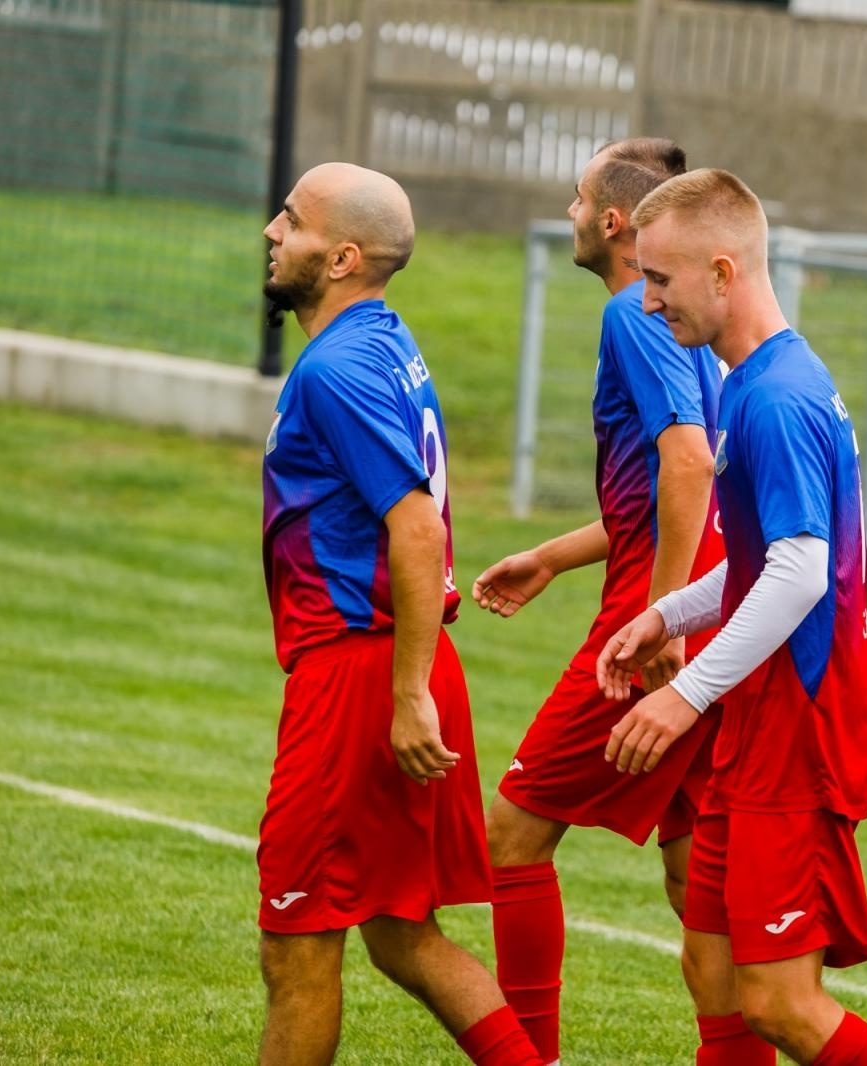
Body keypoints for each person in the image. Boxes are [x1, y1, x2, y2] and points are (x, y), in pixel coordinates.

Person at [593, 168, 867, 1066]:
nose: (647, 304)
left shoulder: (775, 397)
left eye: (661, 280)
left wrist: (684, 692)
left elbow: (804, 574)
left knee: (780, 1004)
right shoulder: (760, 380)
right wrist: (670, 612)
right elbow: (775, 560)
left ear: (723, 272)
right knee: (712, 964)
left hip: (796, 734)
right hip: (759, 726)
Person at [257, 162, 543, 1066]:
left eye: (293, 222)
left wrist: (406, 692)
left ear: (341, 257)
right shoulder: (381, 339)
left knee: (296, 947)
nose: (271, 230)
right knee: (401, 934)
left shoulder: (336, 369)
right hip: (394, 664)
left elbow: (415, 526)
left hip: (363, 672)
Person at [468, 137, 724, 1065]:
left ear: (614, 221)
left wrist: (661, 622)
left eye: (578, 197)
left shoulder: (632, 312)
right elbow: (671, 487)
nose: (570, 210)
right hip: (721, 608)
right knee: (699, 880)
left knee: (510, 840)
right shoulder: (695, 321)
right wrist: (552, 555)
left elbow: (689, 464)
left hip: (664, 619)